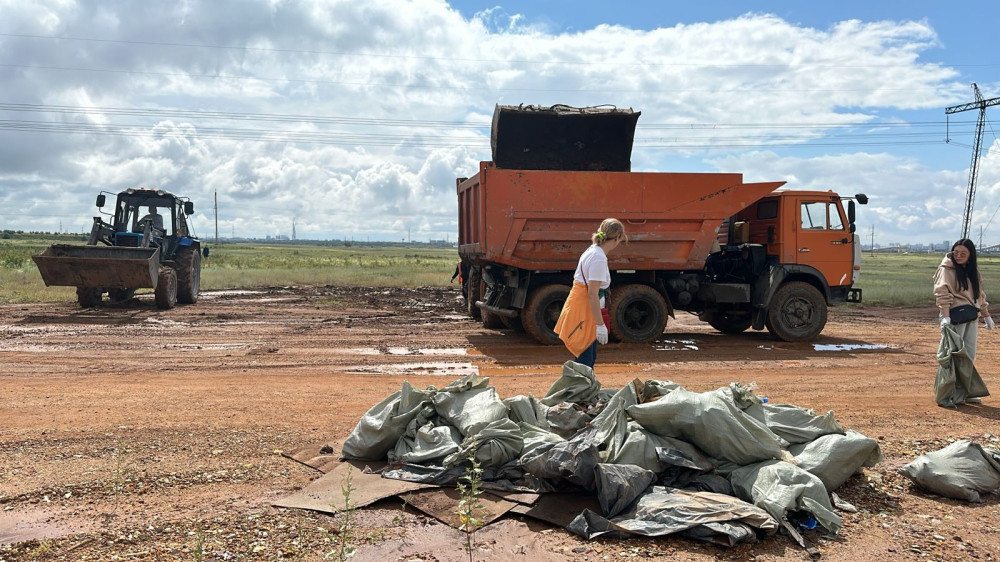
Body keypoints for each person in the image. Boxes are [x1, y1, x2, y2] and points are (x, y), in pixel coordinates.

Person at [554, 218, 627, 369]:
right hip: (584, 311)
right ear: (617, 237)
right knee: (585, 361)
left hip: (583, 309)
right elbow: (592, 294)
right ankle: (578, 391)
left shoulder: (593, 251)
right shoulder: (598, 258)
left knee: (588, 357)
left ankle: (582, 390)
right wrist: (600, 325)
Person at [933, 238, 994, 404]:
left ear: (970, 256)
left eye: (963, 254)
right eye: (956, 252)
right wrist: (945, 317)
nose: (958, 256)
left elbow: (979, 295)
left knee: (968, 355)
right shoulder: (946, 269)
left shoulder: (972, 271)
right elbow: (942, 293)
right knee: (951, 356)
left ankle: (965, 392)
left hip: (971, 317)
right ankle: (947, 394)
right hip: (953, 318)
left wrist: (986, 315)